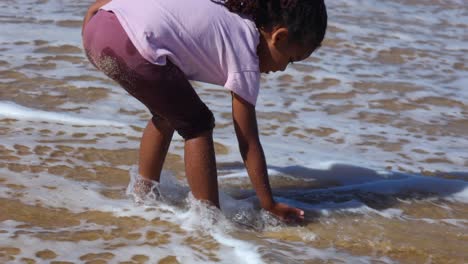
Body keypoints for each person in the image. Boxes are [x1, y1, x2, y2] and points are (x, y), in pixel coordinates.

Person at [82, 0, 327, 222]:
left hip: (100, 25)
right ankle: (209, 220)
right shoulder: (247, 56)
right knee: (198, 125)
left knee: (169, 113)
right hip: (133, 45)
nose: (284, 69)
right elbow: (248, 141)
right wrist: (269, 203)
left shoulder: (228, 10)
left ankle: (143, 194)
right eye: (291, 59)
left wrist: (100, 7)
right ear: (279, 37)